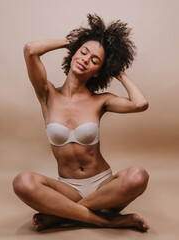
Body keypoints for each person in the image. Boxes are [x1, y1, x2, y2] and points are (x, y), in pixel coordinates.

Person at [13, 14, 150, 232]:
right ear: (74, 53)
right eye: (83, 52)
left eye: (95, 60)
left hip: (104, 186)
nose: (86, 59)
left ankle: (61, 215)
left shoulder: (100, 101)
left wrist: (118, 72)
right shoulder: (47, 94)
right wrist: (76, 41)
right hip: (68, 188)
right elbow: (31, 49)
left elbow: (140, 104)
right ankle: (107, 221)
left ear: (98, 72)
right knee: (22, 182)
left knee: (139, 176)